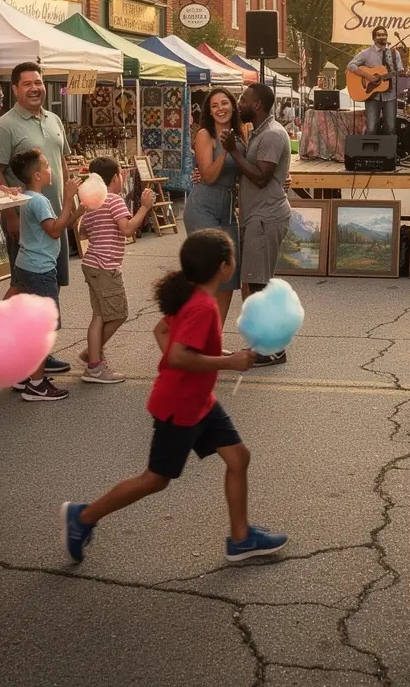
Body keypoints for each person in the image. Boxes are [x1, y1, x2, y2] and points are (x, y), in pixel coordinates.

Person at [60, 228, 288, 564]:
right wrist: (228, 362)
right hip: (180, 406)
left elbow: (163, 331)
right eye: (233, 257)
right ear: (224, 267)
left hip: (199, 402)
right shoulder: (203, 306)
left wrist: (204, 359)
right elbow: (179, 355)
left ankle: (241, 539)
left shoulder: (190, 295)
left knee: (239, 458)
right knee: (155, 479)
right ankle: (83, 517)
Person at [0, 61, 72, 376]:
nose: (35, 88)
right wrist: (9, 216)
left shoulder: (54, 119)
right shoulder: (4, 126)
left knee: (49, 283)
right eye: (27, 84)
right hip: (27, 221)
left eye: (38, 82)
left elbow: (61, 162)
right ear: (15, 89)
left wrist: (71, 202)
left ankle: (39, 354)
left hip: (55, 216)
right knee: (25, 287)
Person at [222, 83, 293, 367]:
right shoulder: (259, 131)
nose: (238, 105)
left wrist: (233, 152)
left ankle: (273, 349)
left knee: (259, 284)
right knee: (253, 282)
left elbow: (261, 177)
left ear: (258, 105)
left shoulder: (272, 134)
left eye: (243, 100)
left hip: (266, 216)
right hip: (257, 216)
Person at [8, 149, 81, 401]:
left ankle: (24, 375)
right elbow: (54, 230)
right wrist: (69, 197)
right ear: (37, 175)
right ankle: (37, 385)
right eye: (47, 165)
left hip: (26, 265)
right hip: (39, 269)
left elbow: (60, 224)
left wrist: (79, 211)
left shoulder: (28, 196)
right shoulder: (38, 201)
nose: (52, 169)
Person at [77, 157, 155, 385]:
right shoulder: (114, 200)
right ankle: (93, 360)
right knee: (118, 314)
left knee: (99, 315)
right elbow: (128, 229)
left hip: (92, 263)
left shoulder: (93, 202)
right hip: (106, 266)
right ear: (114, 178)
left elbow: (82, 232)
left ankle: (93, 359)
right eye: (120, 174)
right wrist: (144, 207)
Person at [184, 88, 247, 323]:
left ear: (232, 105)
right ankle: (195, 332)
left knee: (229, 275)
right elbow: (208, 177)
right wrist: (225, 152)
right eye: (214, 105)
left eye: (224, 103)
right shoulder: (205, 135)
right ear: (209, 112)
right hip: (203, 207)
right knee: (210, 275)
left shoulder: (242, 134)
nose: (220, 109)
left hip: (228, 209)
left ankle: (214, 338)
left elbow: (246, 170)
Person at [347, 26, 406, 135]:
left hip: (390, 95)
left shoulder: (394, 53)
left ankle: (386, 146)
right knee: (371, 128)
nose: (382, 36)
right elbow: (351, 66)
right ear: (374, 38)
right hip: (372, 95)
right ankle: (371, 146)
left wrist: (406, 73)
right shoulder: (366, 53)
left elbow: (400, 70)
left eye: (384, 34)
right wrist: (368, 76)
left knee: (391, 128)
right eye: (379, 35)